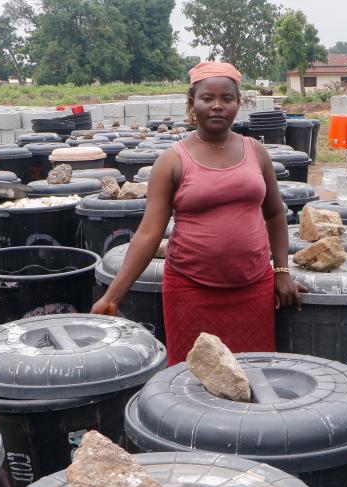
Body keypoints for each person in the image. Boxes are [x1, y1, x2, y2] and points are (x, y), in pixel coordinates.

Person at [91, 60, 302, 364]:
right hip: (190, 292)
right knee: (192, 387)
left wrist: (281, 271)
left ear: (238, 104)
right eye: (207, 98)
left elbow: (274, 215)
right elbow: (149, 233)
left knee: (254, 378)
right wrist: (112, 297)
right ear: (192, 103)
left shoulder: (256, 152)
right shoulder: (172, 161)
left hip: (253, 289)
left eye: (227, 99)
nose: (217, 106)